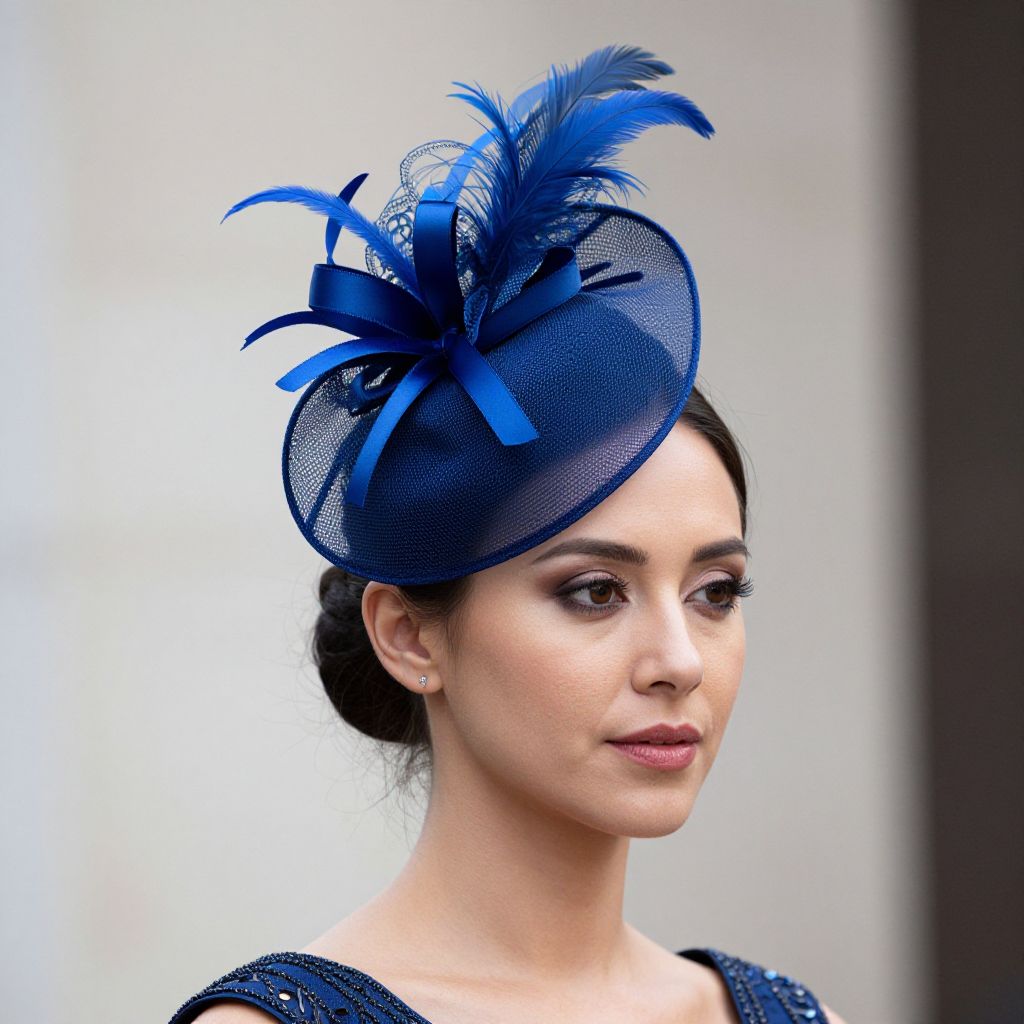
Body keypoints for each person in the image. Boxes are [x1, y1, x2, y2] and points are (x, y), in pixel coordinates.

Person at [169, 45, 849, 1024]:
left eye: (715, 592)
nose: (679, 661)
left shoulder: (781, 1015)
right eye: (594, 591)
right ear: (410, 633)